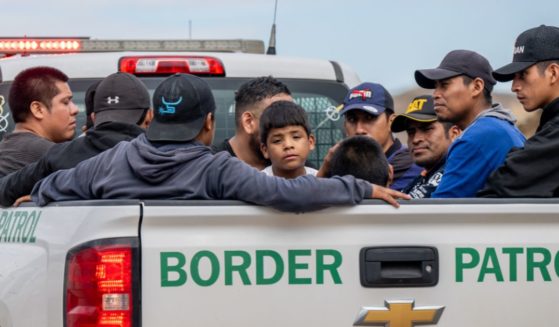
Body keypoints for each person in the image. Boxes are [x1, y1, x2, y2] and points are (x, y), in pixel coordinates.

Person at [31, 73, 409, 211]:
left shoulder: (113, 160)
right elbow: (291, 195)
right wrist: (361, 188)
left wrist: (37, 197)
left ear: (155, 118)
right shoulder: (216, 169)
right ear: (209, 124)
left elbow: (51, 187)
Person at [0, 72, 152, 207]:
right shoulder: (166, 155)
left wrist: (44, 191)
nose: (75, 110)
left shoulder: (60, 156)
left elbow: (5, 190)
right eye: (65, 102)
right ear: (149, 116)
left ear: (93, 117)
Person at [414, 50, 526, 198]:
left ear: (477, 87)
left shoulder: (479, 137)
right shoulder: (500, 127)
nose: (435, 94)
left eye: (444, 85)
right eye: (436, 86)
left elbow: (439, 213)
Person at [479, 25, 559, 197]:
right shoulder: (550, 124)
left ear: (553, 73)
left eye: (522, 75)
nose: (514, 87)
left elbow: (502, 185)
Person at [339, 82, 422, 190]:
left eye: (369, 118)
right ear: (345, 126)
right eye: (352, 119)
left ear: (391, 122)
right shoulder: (344, 161)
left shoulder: (408, 163)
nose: (359, 130)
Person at [0, 66, 79, 176]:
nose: (75, 110)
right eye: (65, 102)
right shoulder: (51, 155)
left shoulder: (8, 147)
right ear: (38, 109)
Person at [212, 76, 293, 170]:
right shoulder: (211, 169)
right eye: (279, 117)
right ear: (248, 122)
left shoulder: (299, 167)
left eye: (292, 115)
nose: (289, 124)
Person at [391, 95, 461, 198]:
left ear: (454, 134)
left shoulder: (460, 170)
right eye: (411, 131)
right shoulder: (423, 177)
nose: (416, 139)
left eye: (427, 129)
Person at [259, 101, 317, 178]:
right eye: (277, 140)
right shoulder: (258, 185)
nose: (288, 145)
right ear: (265, 150)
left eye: (296, 137)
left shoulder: (322, 181)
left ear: (310, 142)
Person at [326, 136, 391, 187]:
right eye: (352, 120)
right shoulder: (398, 203)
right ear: (390, 173)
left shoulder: (320, 203)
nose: (359, 130)